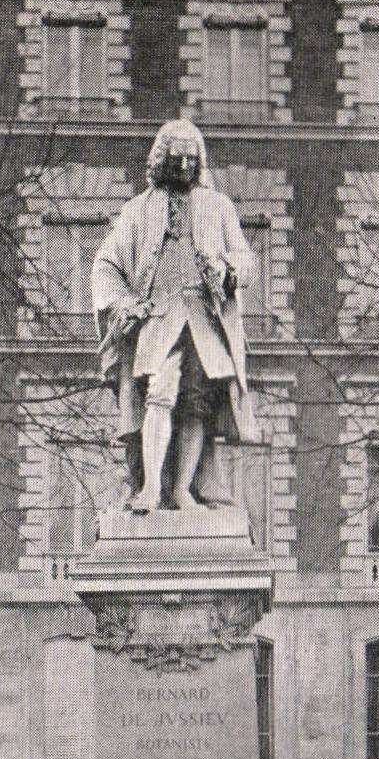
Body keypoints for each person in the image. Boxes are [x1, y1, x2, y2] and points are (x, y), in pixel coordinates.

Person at [91, 117, 260, 515]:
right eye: (176, 157)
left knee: (197, 403)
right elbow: (105, 264)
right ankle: (151, 487)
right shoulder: (136, 211)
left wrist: (227, 269)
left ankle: (184, 489)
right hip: (160, 316)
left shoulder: (219, 207)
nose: (184, 166)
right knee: (160, 394)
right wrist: (123, 302)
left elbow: (246, 258)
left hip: (204, 318)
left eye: (191, 158)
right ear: (161, 159)